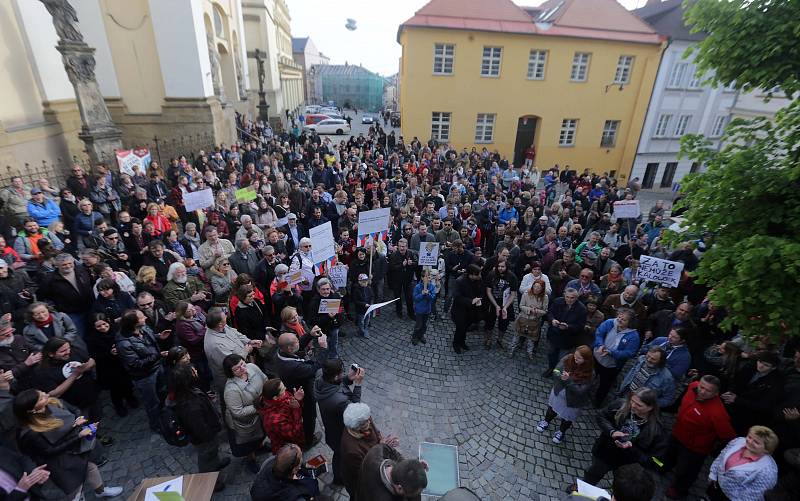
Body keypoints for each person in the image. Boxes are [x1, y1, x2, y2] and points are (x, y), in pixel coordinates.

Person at [13, 389, 123, 499]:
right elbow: (50, 451)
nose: (46, 395)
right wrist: (78, 436)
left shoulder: (54, 402)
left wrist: (77, 419)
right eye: (41, 398)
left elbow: (75, 410)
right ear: (32, 410)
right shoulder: (31, 433)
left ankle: (100, 491)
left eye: (42, 393)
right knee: (75, 487)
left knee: (90, 467)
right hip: (58, 462)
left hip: (73, 448)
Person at [664, 375, 736, 499]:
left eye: (707, 390)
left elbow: (728, 436)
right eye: (701, 387)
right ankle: (662, 467)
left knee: (686, 471)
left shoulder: (718, 413)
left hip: (693, 448)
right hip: (677, 434)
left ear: (716, 393)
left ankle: (679, 490)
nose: (702, 391)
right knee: (667, 455)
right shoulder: (692, 386)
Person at [579, 387, 668, 488]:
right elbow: (601, 416)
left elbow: (656, 461)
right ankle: (582, 488)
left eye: (639, 405)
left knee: (621, 486)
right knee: (592, 475)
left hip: (627, 464)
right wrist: (612, 431)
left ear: (650, 407)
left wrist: (631, 449)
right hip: (605, 452)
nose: (633, 406)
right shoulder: (621, 404)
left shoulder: (657, 430)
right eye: (632, 401)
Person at [169, 364, 229, 492]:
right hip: (205, 438)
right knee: (207, 457)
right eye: (192, 371)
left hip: (206, 433)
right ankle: (211, 481)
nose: (196, 370)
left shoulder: (187, 392)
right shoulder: (190, 405)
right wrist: (212, 434)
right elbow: (201, 429)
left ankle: (216, 464)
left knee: (212, 454)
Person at [314, 359, 365, 486]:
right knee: (341, 456)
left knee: (339, 454)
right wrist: (357, 385)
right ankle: (339, 478)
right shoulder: (339, 401)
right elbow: (355, 411)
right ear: (336, 375)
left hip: (331, 429)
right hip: (340, 434)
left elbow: (337, 384)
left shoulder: (321, 376)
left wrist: (349, 378)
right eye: (342, 373)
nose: (343, 374)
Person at [274, 332, 327, 449]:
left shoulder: (280, 352)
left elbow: (296, 347)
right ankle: (308, 440)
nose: (299, 341)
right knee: (309, 415)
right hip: (303, 393)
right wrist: (323, 348)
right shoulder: (293, 366)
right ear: (289, 348)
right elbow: (314, 368)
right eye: (296, 341)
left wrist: (309, 335)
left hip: (293, 386)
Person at [115, 309, 164, 432]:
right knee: (152, 403)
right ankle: (156, 425)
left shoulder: (144, 328)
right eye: (142, 317)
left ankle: (166, 416)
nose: (145, 318)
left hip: (158, 368)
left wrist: (158, 336)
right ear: (134, 323)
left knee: (163, 393)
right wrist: (157, 355)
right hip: (145, 377)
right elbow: (135, 364)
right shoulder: (124, 343)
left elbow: (150, 339)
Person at [341, 402, 400, 501]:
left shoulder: (365, 419)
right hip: (359, 482)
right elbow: (366, 470)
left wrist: (384, 440)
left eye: (368, 418)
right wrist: (382, 447)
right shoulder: (351, 450)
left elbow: (376, 433)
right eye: (365, 422)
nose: (369, 421)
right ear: (357, 427)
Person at [536, 345, 594, 444]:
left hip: (573, 401)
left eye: (579, 358)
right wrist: (560, 376)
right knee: (552, 409)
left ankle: (561, 432)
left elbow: (580, 391)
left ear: (586, 360)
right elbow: (556, 370)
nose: (575, 358)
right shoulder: (568, 358)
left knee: (567, 418)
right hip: (559, 392)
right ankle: (546, 421)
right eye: (575, 355)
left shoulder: (591, 373)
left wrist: (568, 380)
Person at [85, 313, 137, 417]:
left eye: (104, 324)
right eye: (98, 326)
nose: (103, 328)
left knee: (127, 383)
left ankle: (130, 398)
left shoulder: (117, 330)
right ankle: (119, 406)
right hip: (107, 368)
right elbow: (94, 355)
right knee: (115, 389)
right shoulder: (92, 339)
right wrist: (109, 352)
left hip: (122, 363)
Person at [222, 354, 267, 473]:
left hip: (261, 413)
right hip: (246, 421)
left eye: (242, 363)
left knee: (262, 432)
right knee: (249, 442)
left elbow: (264, 379)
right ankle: (250, 458)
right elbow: (238, 411)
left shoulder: (251, 367)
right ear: (230, 372)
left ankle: (260, 447)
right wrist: (259, 406)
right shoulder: (231, 390)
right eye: (237, 368)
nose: (242, 368)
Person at [707, 426, 779, 501]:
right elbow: (722, 456)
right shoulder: (739, 441)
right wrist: (713, 474)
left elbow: (753, 495)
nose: (749, 441)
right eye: (749, 437)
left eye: (756, 442)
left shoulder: (768, 471)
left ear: (767, 450)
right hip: (715, 485)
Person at [203, 308, 261, 396]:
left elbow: (236, 334)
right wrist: (246, 352)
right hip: (230, 379)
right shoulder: (215, 345)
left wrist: (249, 341)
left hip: (240, 369)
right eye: (224, 317)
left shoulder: (221, 326)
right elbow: (230, 364)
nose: (226, 316)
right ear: (219, 324)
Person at [592, 309, 640, 407]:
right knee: (591, 375)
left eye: (624, 319)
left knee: (605, 384)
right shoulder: (609, 323)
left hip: (611, 365)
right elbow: (599, 333)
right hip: (597, 357)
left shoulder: (633, 336)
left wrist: (611, 352)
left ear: (630, 322)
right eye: (619, 317)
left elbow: (629, 353)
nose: (620, 320)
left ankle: (598, 400)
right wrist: (600, 345)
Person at [357, 443, 428, 501]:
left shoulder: (379, 451)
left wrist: (415, 467)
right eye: (417, 493)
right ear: (399, 488)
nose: (419, 493)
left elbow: (396, 456)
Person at [249, 443, 320, 501]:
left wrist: (303, 466)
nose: (302, 459)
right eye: (301, 457)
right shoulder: (296, 496)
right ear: (294, 470)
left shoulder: (269, 462)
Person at [543, 288, 587, 377]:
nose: (569, 300)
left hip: (567, 339)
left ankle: (558, 371)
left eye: (572, 298)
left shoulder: (582, 309)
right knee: (551, 353)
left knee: (562, 358)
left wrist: (568, 327)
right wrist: (552, 320)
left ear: (576, 298)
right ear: (564, 295)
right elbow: (550, 313)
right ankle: (551, 368)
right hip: (554, 334)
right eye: (567, 297)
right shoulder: (558, 301)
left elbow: (580, 326)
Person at [258, 378, 305, 455]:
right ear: (275, 398)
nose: (286, 389)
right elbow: (294, 433)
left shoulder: (282, 396)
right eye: (283, 389)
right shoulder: (274, 420)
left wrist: (297, 399)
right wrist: (296, 409)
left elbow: (291, 403)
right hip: (287, 449)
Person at [483, 259, 518, 349]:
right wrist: (496, 305)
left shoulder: (512, 277)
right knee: (489, 322)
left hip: (506, 303)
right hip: (493, 302)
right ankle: (488, 339)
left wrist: (505, 307)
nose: (500, 268)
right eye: (499, 266)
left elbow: (513, 294)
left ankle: (499, 339)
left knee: (504, 324)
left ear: (506, 267)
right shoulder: (492, 274)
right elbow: (488, 291)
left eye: (502, 266)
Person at [451, 264, 484, 353]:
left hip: (471, 310)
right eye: (478, 274)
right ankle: (456, 343)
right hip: (460, 311)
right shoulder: (460, 281)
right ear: (471, 274)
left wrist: (479, 298)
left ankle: (462, 342)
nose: (480, 276)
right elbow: (457, 297)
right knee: (460, 328)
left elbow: (481, 291)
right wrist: (471, 301)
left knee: (465, 328)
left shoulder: (478, 280)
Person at [510, 279, 548, 358]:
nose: (536, 289)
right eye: (535, 286)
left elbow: (545, 311)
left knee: (531, 339)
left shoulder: (545, 297)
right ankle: (512, 349)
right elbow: (521, 305)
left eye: (539, 287)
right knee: (516, 335)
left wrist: (537, 311)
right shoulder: (526, 294)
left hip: (534, 320)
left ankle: (529, 352)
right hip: (523, 318)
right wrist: (529, 309)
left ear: (542, 288)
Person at [308, 278, 343, 359]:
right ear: (318, 289)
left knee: (334, 344)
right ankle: (324, 361)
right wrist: (328, 317)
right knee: (323, 347)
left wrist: (339, 321)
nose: (326, 291)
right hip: (322, 330)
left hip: (334, 327)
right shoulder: (314, 302)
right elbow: (312, 320)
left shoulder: (336, 297)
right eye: (323, 289)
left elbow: (341, 311)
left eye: (328, 289)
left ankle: (334, 357)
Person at [387, 238, 417, 319]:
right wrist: (402, 265)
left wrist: (412, 263)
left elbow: (416, 264)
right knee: (397, 297)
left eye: (403, 246)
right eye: (400, 246)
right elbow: (391, 268)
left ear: (407, 246)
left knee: (409, 297)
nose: (402, 248)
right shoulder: (394, 255)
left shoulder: (410, 253)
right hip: (397, 280)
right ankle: (399, 312)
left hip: (408, 280)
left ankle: (411, 313)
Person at [411, 268, 437, 346]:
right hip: (419, 310)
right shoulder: (418, 287)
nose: (427, 278)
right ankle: (415, 337)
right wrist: (422, 294)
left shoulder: (432, 286)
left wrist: (428, 294)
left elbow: (432, 298)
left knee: (424, 325)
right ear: (422, 278)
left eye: (429, 277)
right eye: (425, 276)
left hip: (427, 310)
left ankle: (421, 335)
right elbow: (415, 298)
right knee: (418, 325)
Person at [351, 273, 373, 338]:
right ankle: (361, 331)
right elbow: (355, 301)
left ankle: (365, 329)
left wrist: (371, 303)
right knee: (361, 322)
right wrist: (364, 304)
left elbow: (372, 296)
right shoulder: (356, 290)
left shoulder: (368, 288)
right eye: (364, 281)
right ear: (359, 282)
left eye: (366, 281)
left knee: (367, 320)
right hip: (360, 310)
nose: (365, 283)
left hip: (368, 309)